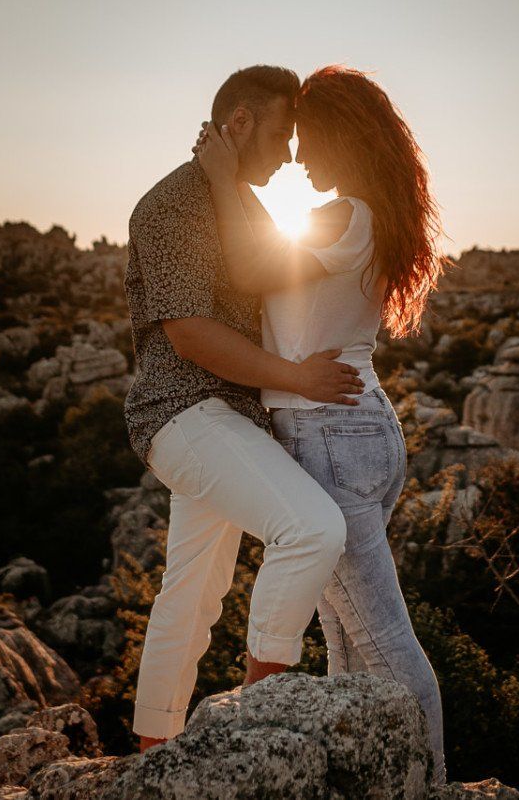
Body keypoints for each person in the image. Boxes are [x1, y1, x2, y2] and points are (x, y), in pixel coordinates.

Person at [193, 64, 449, 778]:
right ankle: (375, 781)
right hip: (357, 427)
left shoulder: (345, 216)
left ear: (343, 136)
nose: (299, 156)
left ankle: (431, 786)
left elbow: (248, 268)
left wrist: (222, 179)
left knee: (388, 646)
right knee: (345, 640)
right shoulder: (367, 217)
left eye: (308, 138)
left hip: (328, 435)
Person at [122, 64, 368, 749]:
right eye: (283, 134)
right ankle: (262, 723)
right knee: (312, 530)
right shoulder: (171, 204)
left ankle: (153, 752)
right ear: (238, 124)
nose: (291, 154)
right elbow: (189, 333)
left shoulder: (240, 200)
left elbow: (267, 275)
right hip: (184, 412)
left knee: (195, 592)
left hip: (228, 419)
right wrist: (296, 377)